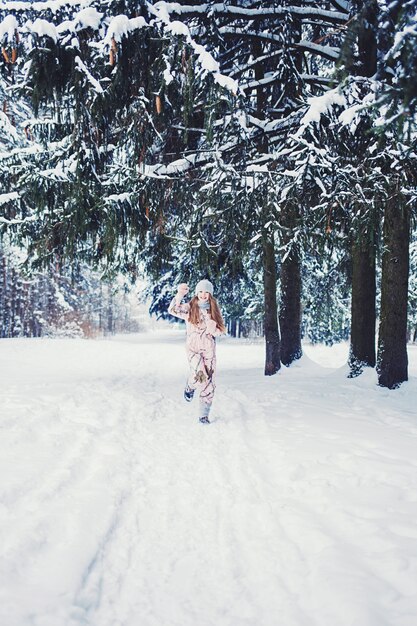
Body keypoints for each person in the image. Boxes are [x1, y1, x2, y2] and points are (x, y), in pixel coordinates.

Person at [168, 279, 226, 424]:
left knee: (209, 384)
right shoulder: (190, 307)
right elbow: (172, 310)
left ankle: (203, 415)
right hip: (193, 349)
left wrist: (214, 329)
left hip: (209, 352)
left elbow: (221, 331)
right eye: (200, 291)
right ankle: (190, 386)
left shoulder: (214, 310)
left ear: (210, 294)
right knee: (199, 375)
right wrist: (179, 295)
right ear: (196, 292)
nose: (203, 294)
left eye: (206, 292)